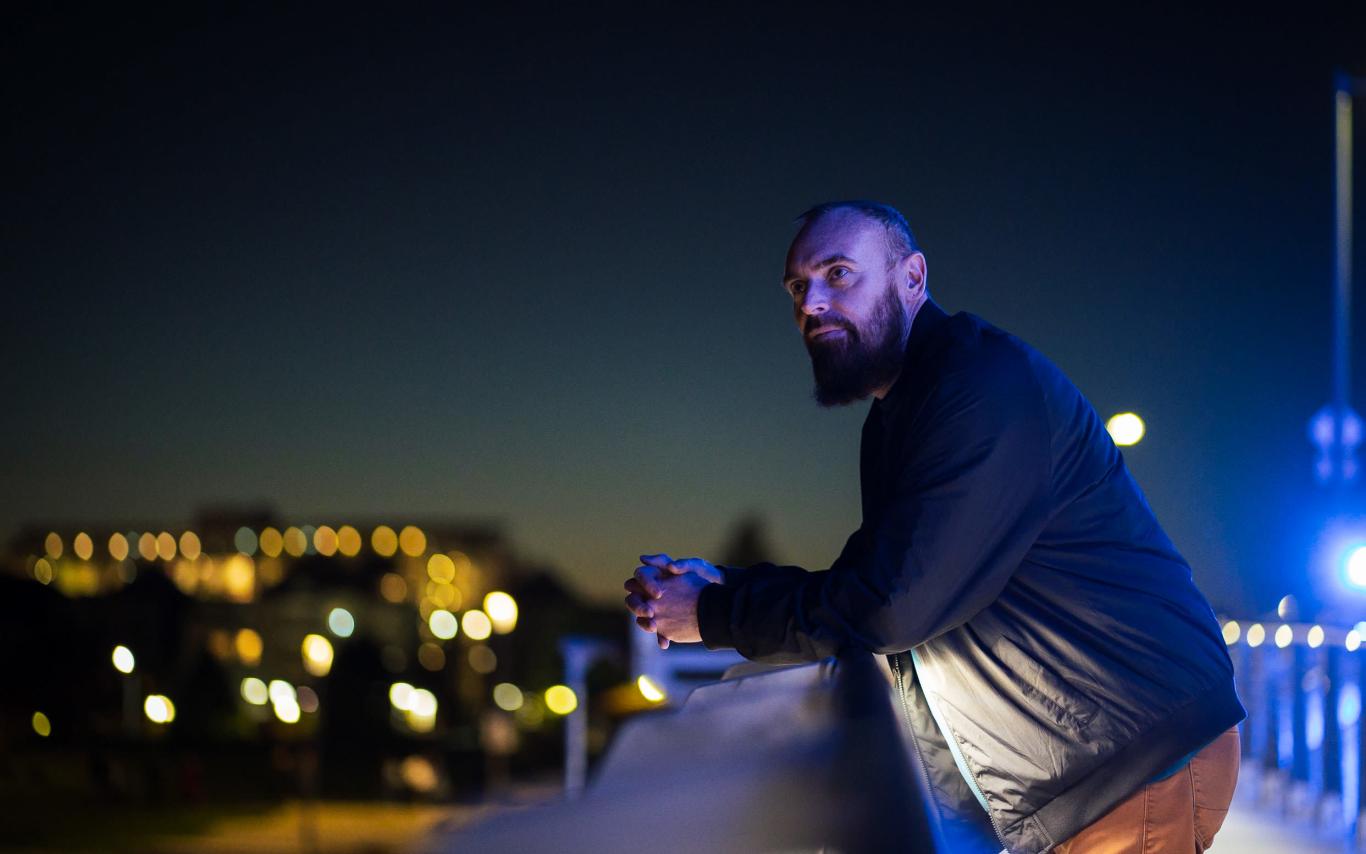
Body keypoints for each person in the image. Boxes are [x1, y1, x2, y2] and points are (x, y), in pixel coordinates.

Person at [622, 200, 1244, 854]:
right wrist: (728, 582)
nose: (812, 304)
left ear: (912, 278)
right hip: (1081, 775)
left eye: (839, 274)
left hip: (1138, 762)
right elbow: (877, 591)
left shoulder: (980, 387)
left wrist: (718, 613)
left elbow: (894, 607)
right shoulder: (902, 413)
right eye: (799, 288)